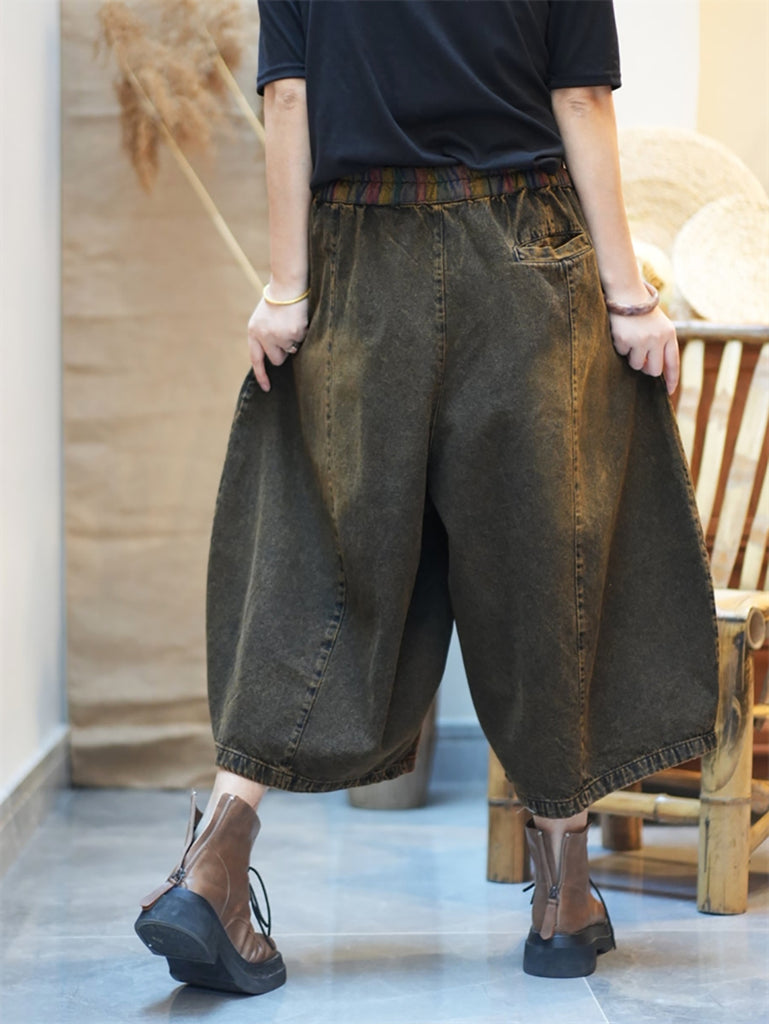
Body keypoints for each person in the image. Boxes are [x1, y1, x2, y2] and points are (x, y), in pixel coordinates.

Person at [134, 0, 719, 993]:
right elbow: (579, 98)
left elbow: (288, 101)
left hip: (358, 257)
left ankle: (212, 864)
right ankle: (563, 900)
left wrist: (287, 288)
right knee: (549, 564)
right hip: (524, 257)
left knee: (319, 560)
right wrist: (629, 295)